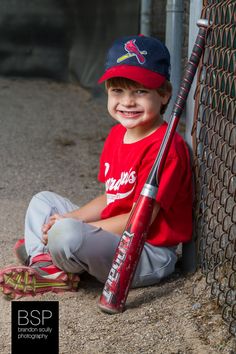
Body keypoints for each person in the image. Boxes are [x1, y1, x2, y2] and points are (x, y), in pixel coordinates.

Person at [0, 35, 193, 299]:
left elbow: (140, 220)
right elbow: (111, 197)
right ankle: (48, 265)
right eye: (118, 91)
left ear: (164, 94)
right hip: (112, 237)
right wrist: (74, 217)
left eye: (140, 91)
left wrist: (76, 226)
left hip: (145, 252)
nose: (127, 102)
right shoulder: (117, 135)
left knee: (66, 234)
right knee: (43, 202)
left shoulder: (167, 149)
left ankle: (49, 254)